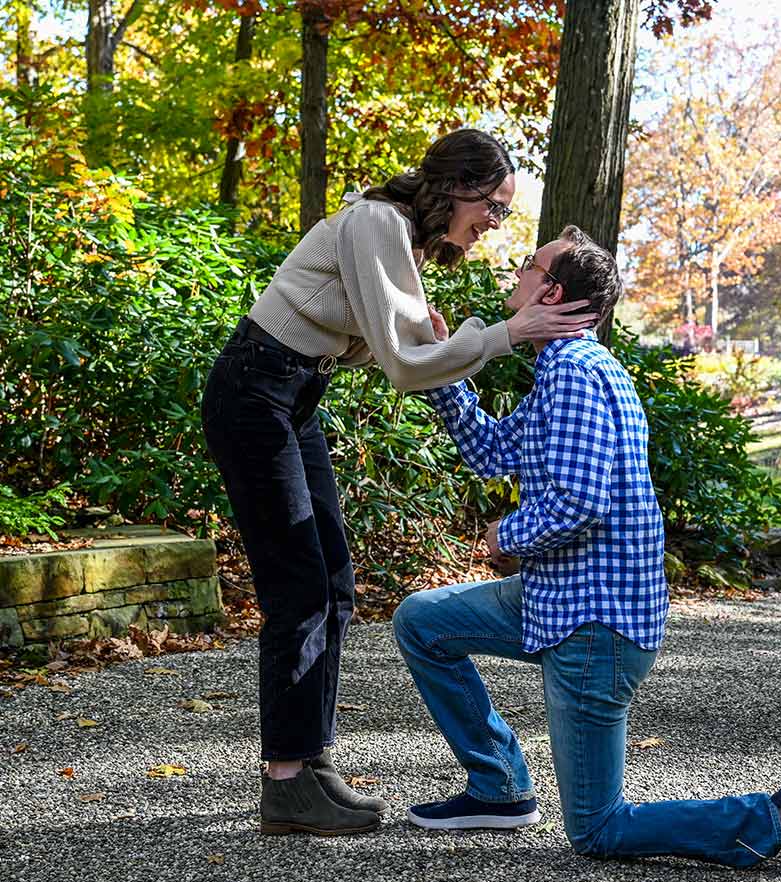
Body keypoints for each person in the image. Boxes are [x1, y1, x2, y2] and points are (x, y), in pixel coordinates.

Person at [393, 226, 781, 868]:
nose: (516, 277)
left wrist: (509, 535)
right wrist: (443, 365)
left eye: (528, 268)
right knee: (421, 622)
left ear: (549, 293)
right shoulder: (562, 370)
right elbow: (491, 452)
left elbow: (581, 503)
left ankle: (776, 814)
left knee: (596, 830)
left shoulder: (577, 375)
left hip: (594, 629)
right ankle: (498, 787)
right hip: (555, 599)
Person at [201, 129, 597, 838]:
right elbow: (409, 366)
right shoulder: (378, 223)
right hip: (254, 391)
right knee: (298, 587)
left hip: (293, 395)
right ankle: (286, 784)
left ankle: (309, 762)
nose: (495, 224)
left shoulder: (402, 241)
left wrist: (457, 344)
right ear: (459, 187)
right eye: (495, 207)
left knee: (336, 584)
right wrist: (510, 331)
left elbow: (419, 351)